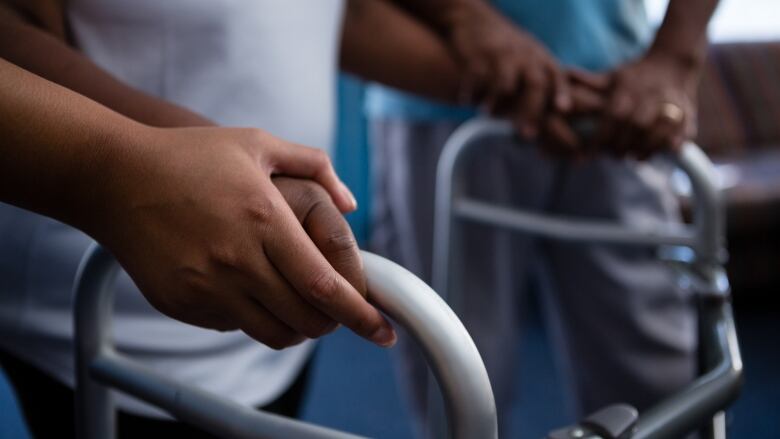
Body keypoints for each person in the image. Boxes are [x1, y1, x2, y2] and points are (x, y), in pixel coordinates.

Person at [0, 0, 495, 436]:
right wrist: (143, 167)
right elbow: (13, 26)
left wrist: (504, 79)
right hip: (122, 307)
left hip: (270, 274)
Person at [367, 0, 718, 436]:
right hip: (439, 97)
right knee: (456, 384)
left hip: (617, 107)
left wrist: (676, 54)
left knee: (659, 394)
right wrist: (464, 16)